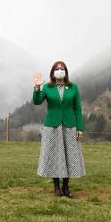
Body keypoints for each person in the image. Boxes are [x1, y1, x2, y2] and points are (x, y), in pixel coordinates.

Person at [32, 61, 85, 198]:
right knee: (55, 155)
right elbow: (37, 101)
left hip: (69, 125)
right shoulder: (47, 87)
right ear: (53, 72)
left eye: (62, 69)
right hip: (52, 126)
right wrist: (37, 88)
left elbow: (78, 109)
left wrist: (80, 128)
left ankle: (66, 186)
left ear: (66, 72)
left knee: (69, 155)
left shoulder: (73, 87)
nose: (59, 70)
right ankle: (56, 187)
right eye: (57, 68)